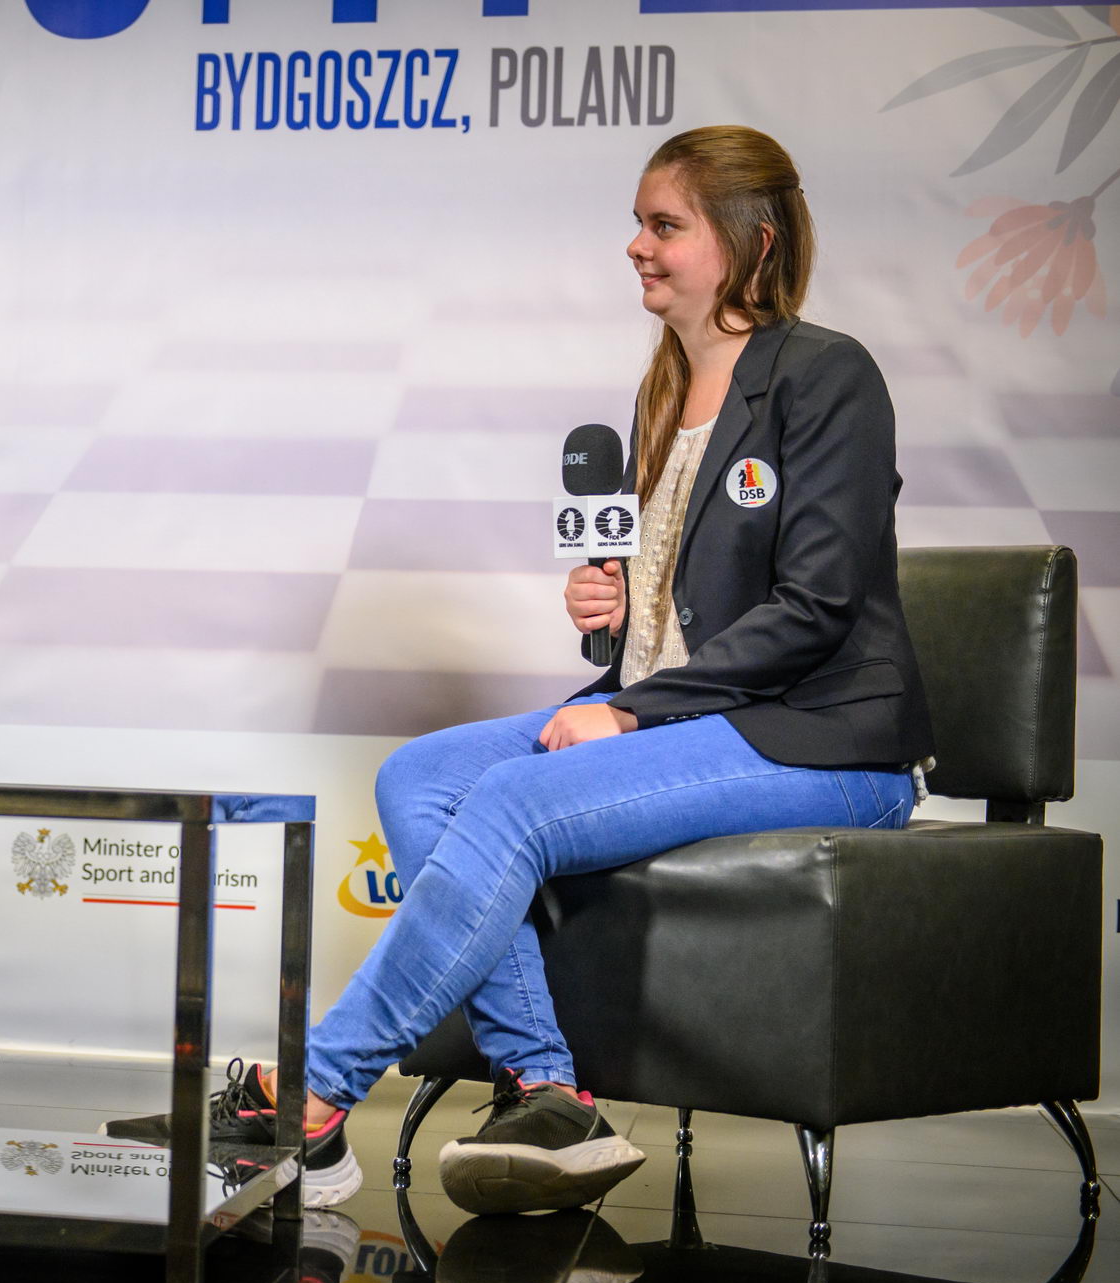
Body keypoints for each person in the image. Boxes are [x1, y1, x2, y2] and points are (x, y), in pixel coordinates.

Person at [104, 125, 933, 1215]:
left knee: (510, 800)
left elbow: (815, 607)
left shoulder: (827, 375)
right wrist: (619, 613)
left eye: (664, 225)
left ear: (752, 241)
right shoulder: (661, 387)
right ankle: (545, 1089)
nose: (635, 245)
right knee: (416, 777)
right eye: (636, 222)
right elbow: (689, 608)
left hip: (821, 739)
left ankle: (311, 1099)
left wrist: (630, 710)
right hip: (687, 713)